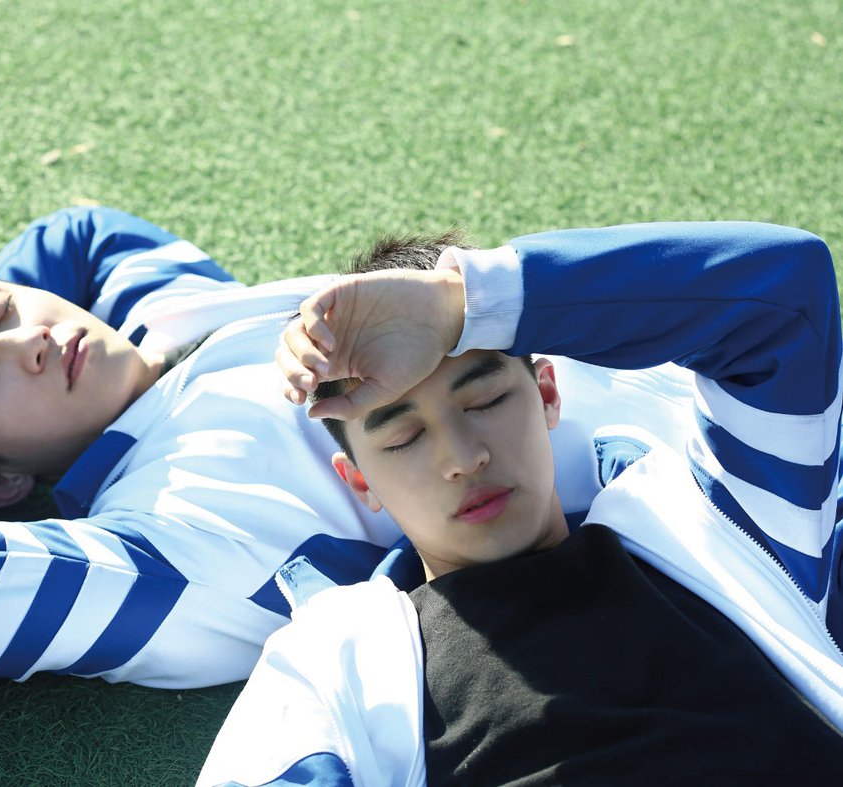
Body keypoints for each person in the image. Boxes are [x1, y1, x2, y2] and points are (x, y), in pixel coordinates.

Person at [0, 207, 715, 693]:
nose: (26, 341)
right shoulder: (152, 549)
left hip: (712, 367)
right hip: (712, 526)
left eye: (0, 310)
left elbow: (74, 233)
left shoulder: (172, 315)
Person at [199, 222, 843, 785]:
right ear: (359, 482)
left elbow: (785, 296)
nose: (462, 457)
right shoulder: (332, 662)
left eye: (485, 401)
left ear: (548, 394)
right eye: (404, 438)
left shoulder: (720, 522)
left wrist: (464, 306)